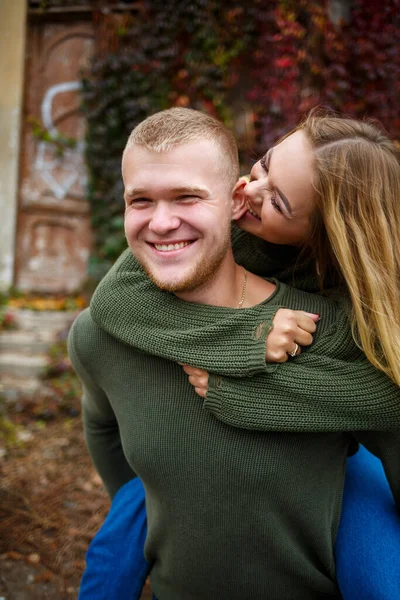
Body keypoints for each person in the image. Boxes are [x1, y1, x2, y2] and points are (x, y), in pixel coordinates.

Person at [71, 108, 400, 599]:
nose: (250, 191)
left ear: (323, 234)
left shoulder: (347, 318)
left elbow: (386, 393)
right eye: (263, 165)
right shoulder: (111, 325)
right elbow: (114, 303)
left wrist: (242, 394)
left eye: (279, 202)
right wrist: (153, 497)